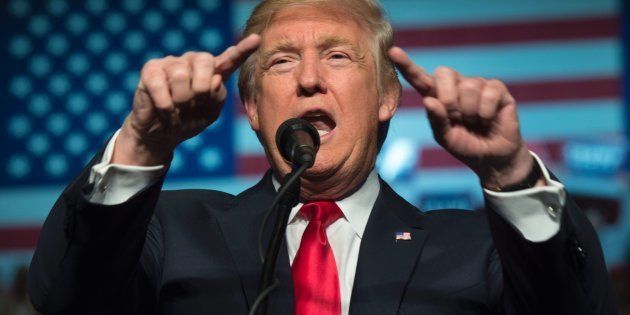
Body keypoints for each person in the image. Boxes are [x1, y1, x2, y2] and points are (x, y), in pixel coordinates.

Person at [28, 0, 616, 314]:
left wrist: (510, 174)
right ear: (253, 107)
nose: (308, 79)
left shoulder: (480, 247)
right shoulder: (170, 231)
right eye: (281, 62)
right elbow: (63, 298)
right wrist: (141, 141)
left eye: (338, 56)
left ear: (387, 96)